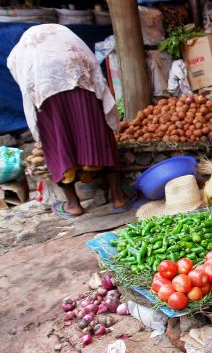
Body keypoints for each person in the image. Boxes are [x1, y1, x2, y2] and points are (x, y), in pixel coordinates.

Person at [8, 24, 134, 217]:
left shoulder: (24, 53)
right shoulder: (68, 39)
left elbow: (26, 86)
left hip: (47, 96)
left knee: (58, 144)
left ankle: (73, 204)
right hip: (81, 83)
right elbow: (94, 72)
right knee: (100, 136)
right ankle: (119, 197)